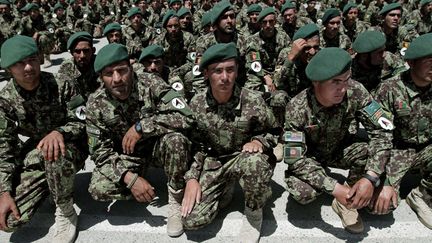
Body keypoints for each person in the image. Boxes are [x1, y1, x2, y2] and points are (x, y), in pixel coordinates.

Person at [86, 43, 193, 237]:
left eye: (121, 70)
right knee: (98, 189)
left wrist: (142, 127)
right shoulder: (96, 102)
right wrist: (130, 178)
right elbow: (99, 152)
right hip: (128, 156)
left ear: (131, 67)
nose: (117, 79)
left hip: (157, 148)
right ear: (101, 78)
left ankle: (175, 199)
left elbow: (186, 115)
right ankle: (141, 186)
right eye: (109, 74)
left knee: (177, 141)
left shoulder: (151, 82)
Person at [283, 47, 393, 234]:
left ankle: (348, 200)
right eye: (335, 82)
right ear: (316, 82)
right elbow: (295, 159)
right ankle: (343, 194)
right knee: (302, 194)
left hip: (340, 149)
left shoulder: (356, 91)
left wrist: (371, 177)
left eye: (346, 79)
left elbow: (382, 130)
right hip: (311, 157)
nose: (343, 88)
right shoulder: (297, 107)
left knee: (382, 201)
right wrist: (334, 188)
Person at [181, 43, 280, 242]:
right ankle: (224, 189)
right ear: (207, 73)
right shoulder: (197, 104)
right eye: (217, 71)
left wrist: (258, 141)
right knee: (192, 221)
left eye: (230, 70)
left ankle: (253, 212)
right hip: (214, 162)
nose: (225, 77)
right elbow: (194, 146)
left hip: (242, 158)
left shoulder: (253, 100)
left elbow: (274, 131)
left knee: (256, 163)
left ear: (237, 71)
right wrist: (192, 179)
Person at [0, 35, 86, 242]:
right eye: (20, 63)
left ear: (39, 59)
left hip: (70, 145)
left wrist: (59, 132)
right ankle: (52, 182)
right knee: (11, 221)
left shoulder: (62, 83)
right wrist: (4, 192)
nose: (28, 67)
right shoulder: (5, 100)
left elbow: (83, 120)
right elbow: (4, 148)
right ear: (9, 68)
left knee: (54, 151)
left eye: (32, 59)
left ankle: (65, 209)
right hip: (37, 149)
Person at [373, 33, 432, 229]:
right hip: (396, 151)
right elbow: (380, 136)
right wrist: (387, 181)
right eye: (429, 61)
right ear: (412, 62)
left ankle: (421, 194)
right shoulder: (389, 89)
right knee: (379, 207)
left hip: (427, 150)